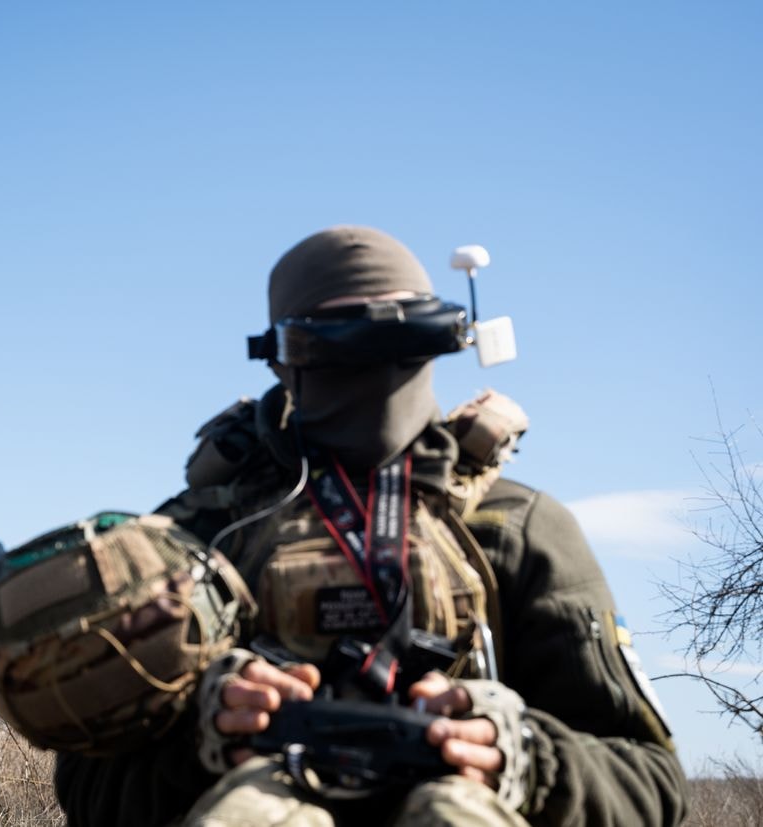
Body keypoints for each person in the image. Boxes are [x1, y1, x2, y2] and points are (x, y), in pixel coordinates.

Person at [53, 226, 688, 826]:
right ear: (280, 358)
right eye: (339, 343)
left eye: (405, 341)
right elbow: (89, 791)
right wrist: (205, 735)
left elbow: (651, 784)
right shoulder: (199, 536)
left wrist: (521, 755)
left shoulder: (517, 529)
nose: (377, 374)